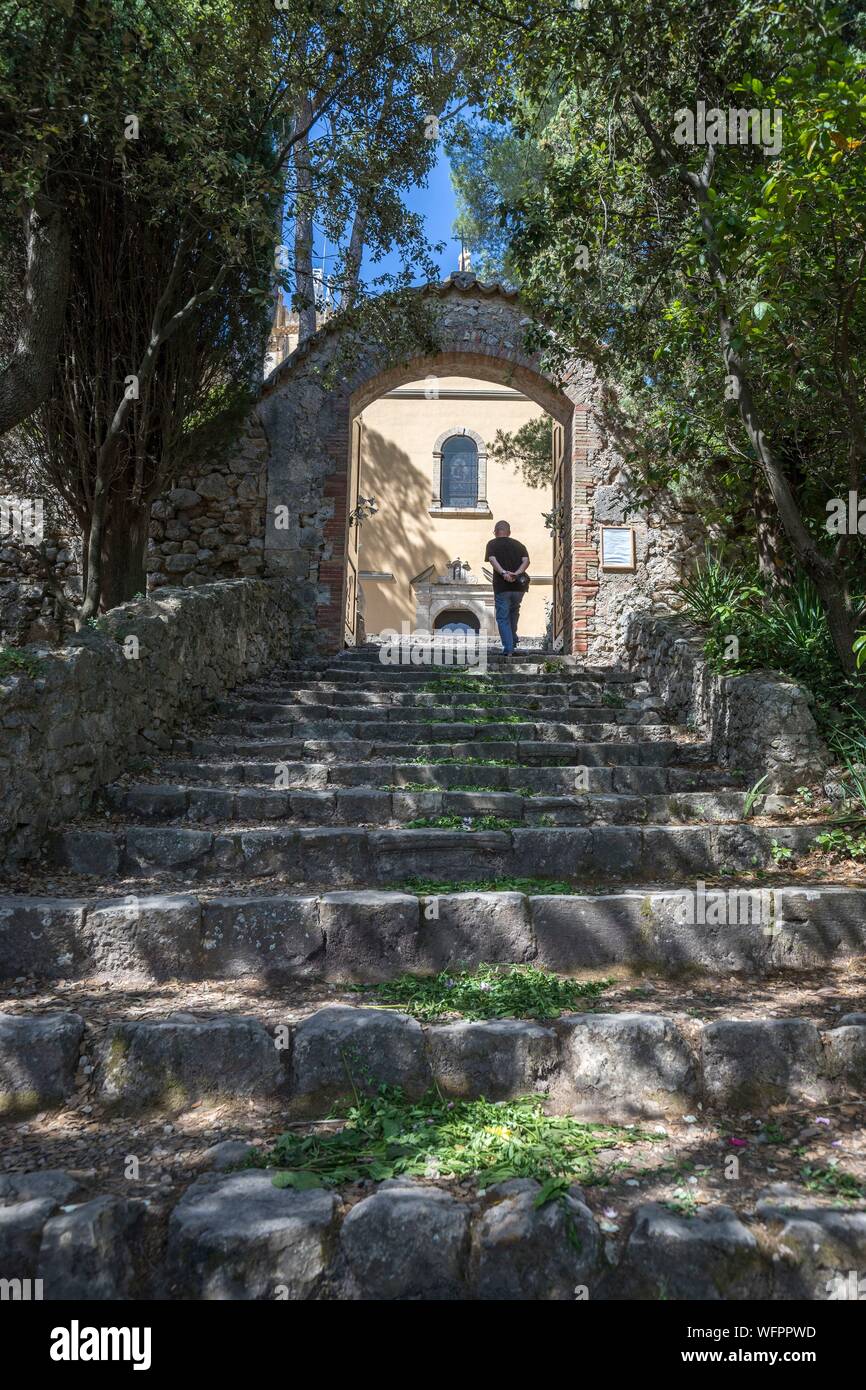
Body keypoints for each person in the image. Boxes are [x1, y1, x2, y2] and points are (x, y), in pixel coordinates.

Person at [485, 521, 529, 656]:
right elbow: (526, 561)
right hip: (518, 587)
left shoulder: (492, 544)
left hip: (502, 587)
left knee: (503, 617)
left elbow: (492, 560)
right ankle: (513, 638)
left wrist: (504, 573)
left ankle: (509, 648)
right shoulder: (519, 544)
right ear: (509, 532)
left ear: (495, 531)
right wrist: (516, 574)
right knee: (514, 612)